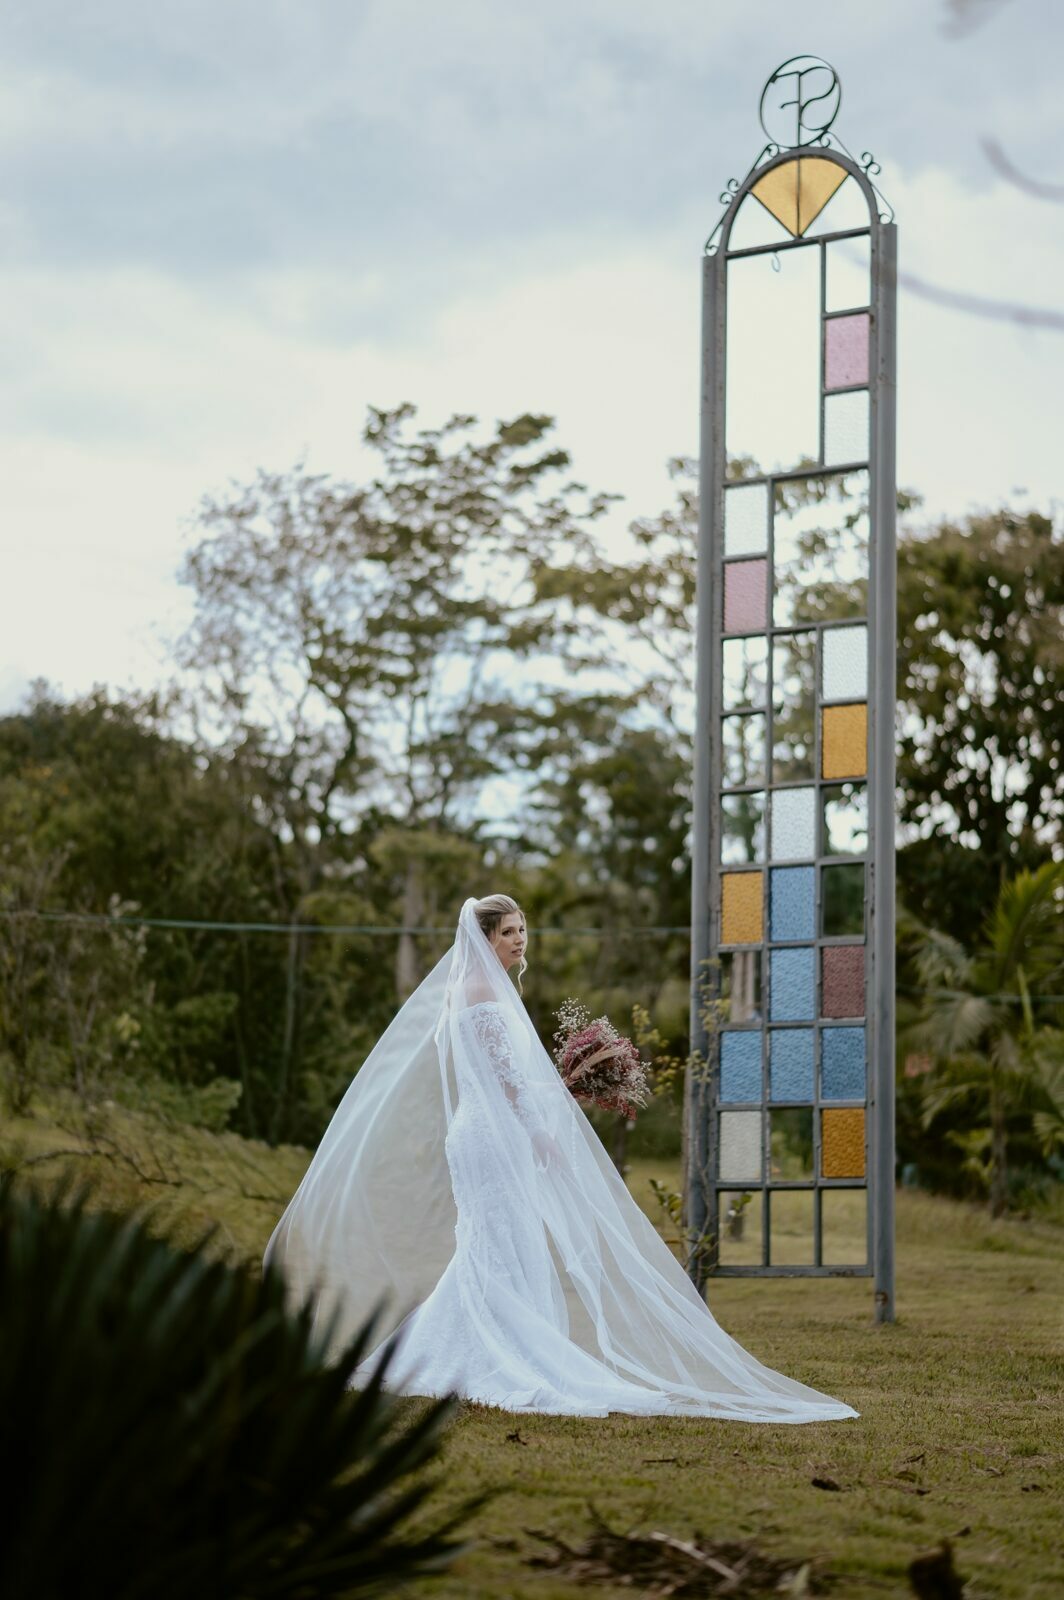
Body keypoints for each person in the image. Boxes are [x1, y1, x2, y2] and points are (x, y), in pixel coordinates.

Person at [262, 894, 859, 1421]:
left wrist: (567, 1084)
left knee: (493, 1243)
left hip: (481, 1133)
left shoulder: (468, 991)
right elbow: (506, 1081)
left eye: (522, 929)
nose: (520, 939)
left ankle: (459, 1347)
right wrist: (541, 1130)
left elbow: (501, 1075)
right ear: (484, 938)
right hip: (494, 1135)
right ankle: (499, 1353)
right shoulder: (481, 993)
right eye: (508, 932)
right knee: (501, 1240)